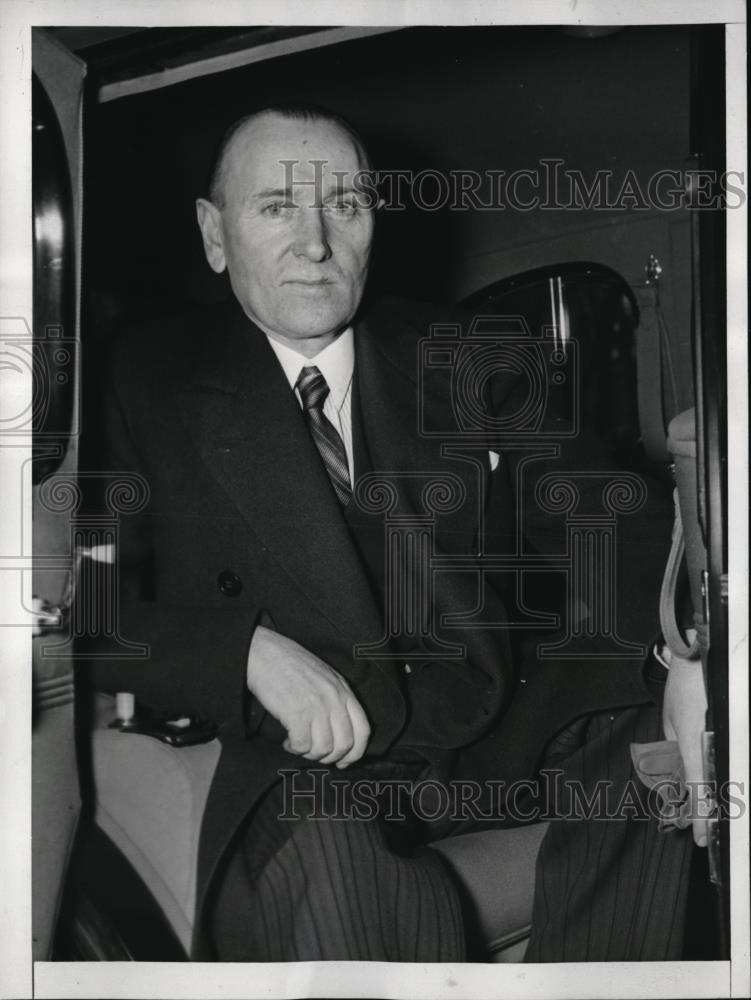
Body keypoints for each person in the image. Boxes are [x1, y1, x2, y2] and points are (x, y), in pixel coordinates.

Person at [89, 103, 706, 962]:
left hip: (492, 736)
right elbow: (70, 596)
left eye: (344, 205)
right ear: (214, 234)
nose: (315, 243)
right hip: (305, 767)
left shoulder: (468, 353)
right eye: (276, 208)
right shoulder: (134, 381)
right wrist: (241, 653)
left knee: (678, 744)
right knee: (342, 865)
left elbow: (607, 510)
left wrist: (687, 656)